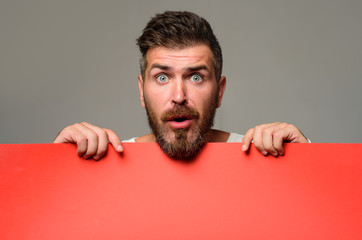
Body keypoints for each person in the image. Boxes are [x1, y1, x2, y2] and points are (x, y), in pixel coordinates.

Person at [54, 11, 308, 160]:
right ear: (142, 91)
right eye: (162, 77)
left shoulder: (264, 154)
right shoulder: (103, 160)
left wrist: (307, 158)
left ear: (219, 91)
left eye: (195, 77)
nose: (179, 96)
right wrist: (55, 163)